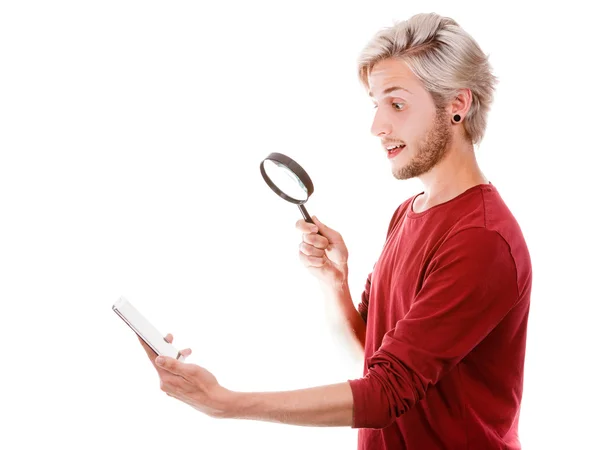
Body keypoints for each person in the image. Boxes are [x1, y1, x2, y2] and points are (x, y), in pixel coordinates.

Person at [138, 12, 532, 450]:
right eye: (376, 104)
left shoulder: (481, 239)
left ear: (457, 105)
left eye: (397, 104)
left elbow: (384, 395)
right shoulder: (409, 212)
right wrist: (335, 285)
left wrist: (226, 403)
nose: (377, 126)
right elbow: (374, 363)